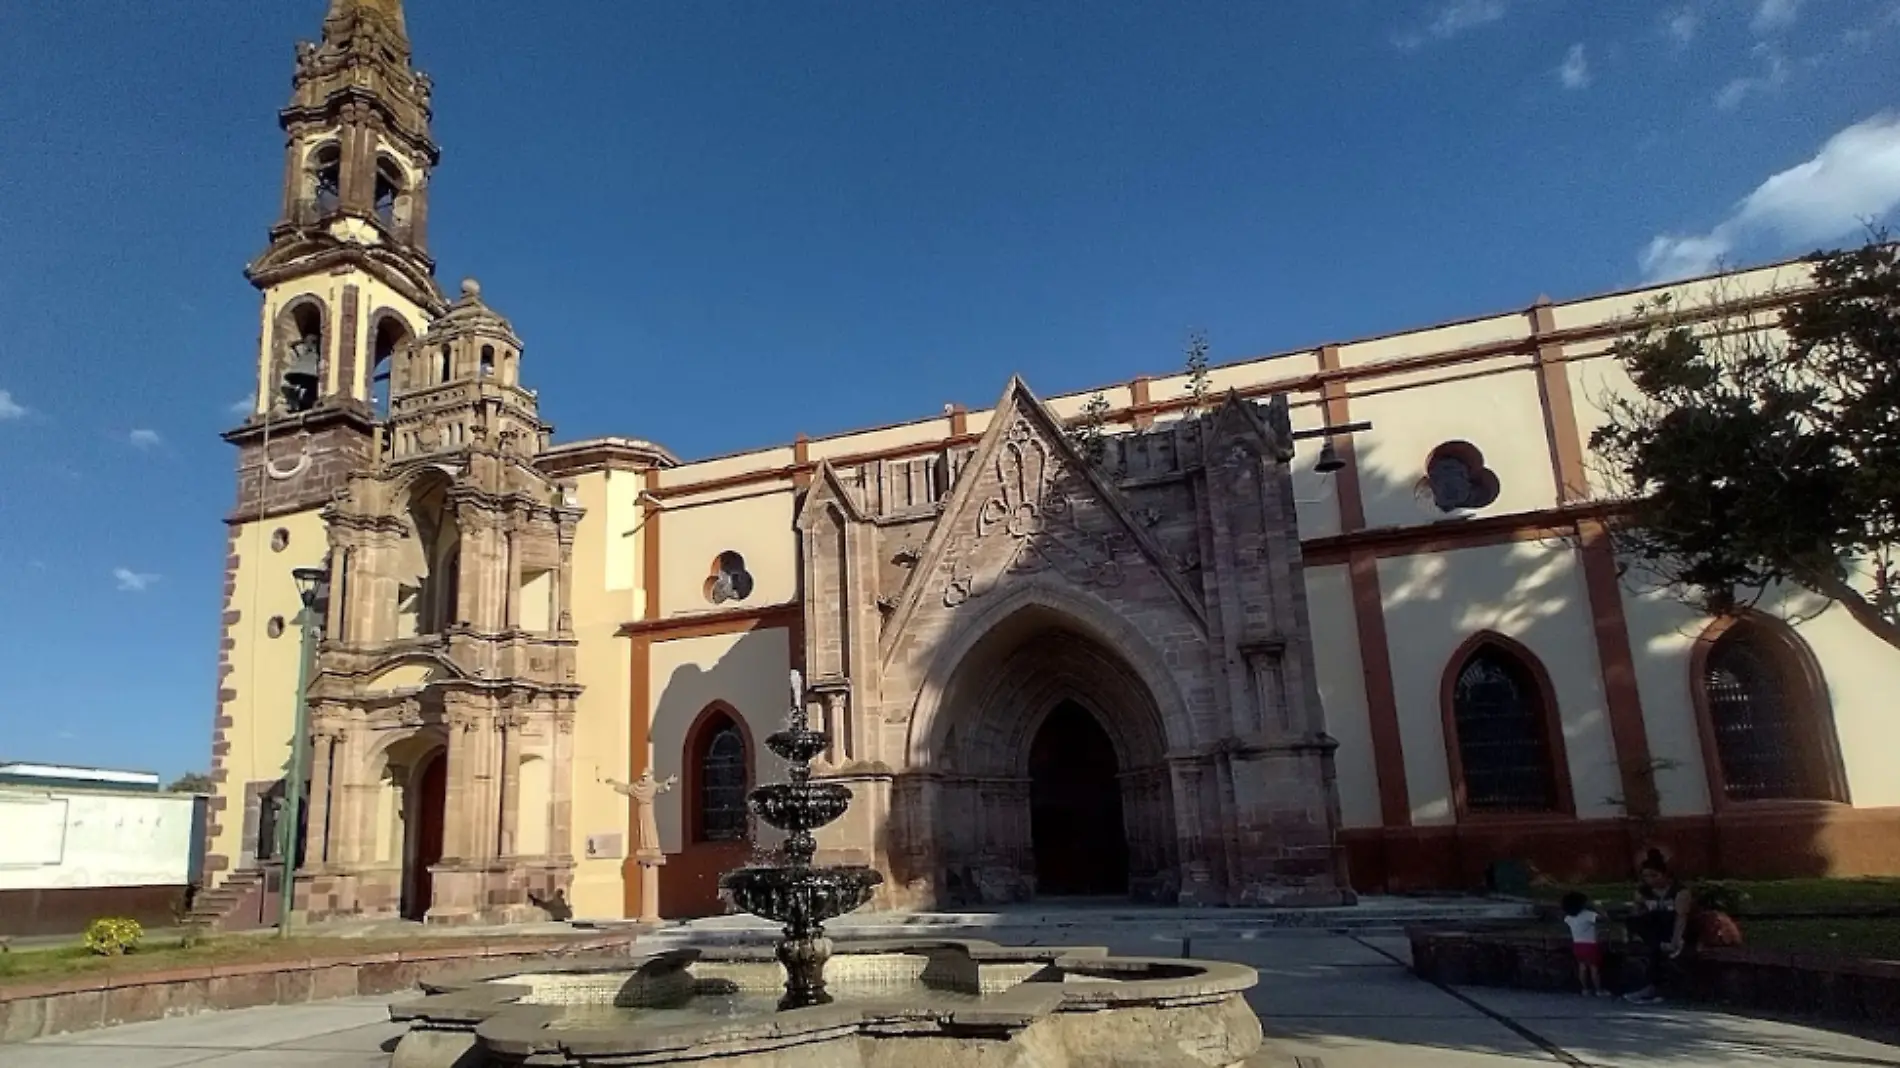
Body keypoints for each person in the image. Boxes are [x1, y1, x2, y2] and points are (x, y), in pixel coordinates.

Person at [1624, 849, 1695, 1004]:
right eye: (1646, 876)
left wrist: (1676, 941)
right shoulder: (1644, 892)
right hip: (1655, 933)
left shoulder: (1679, 892)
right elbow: (1637, 915)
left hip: (1676, 930)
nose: (1650, 880)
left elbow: (1681, 917)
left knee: (1656, 948)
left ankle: (1653, 987)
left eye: (1654, 875)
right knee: (1648, 934)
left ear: (1664, 874)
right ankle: (1652, 986)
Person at [1561, 891, 1608, 997]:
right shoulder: (1588, 915)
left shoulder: (1568, 918)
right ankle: (1599, 990)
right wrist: (1599, 907)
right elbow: (1604, 918)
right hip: (1590, 945)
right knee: (1594, 968)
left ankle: (1585, 989)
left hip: (1577, 945)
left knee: (1582, 967)